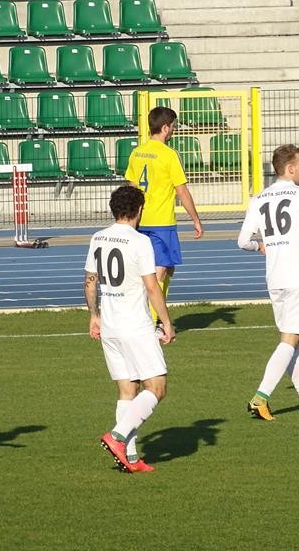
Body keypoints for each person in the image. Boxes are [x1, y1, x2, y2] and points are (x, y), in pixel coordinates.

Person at [237, 145, 299, 421]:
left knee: (291, 340)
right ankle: (260, 397)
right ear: (290, 169)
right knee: (291, 339)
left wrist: (259, 246)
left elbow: (242, 241)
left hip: (275, 278)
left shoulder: (258, 198)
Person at [84, 185, 176, 473]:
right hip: (135, 325)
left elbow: (90, 280)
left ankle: (130, 458)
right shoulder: (140, 241)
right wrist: (166, 322)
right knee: (157, 387)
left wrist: (94, 315)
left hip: (110, 324)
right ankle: (117, 436)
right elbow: (152, 287)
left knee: (127, 390)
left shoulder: (98, 237)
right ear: (139, 210)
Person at [125, 106, 204, 333]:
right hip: (161, 221)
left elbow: (131, 185)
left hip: (140, 220)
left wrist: (131, 216)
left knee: (167, 268)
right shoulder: (169, 154)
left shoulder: (137, 152)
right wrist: (196, 219)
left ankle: (157, 318)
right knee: (158, 271)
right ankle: (150, 323)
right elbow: (182, 190)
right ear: (165, 127)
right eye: (173, 126)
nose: (174, 130)